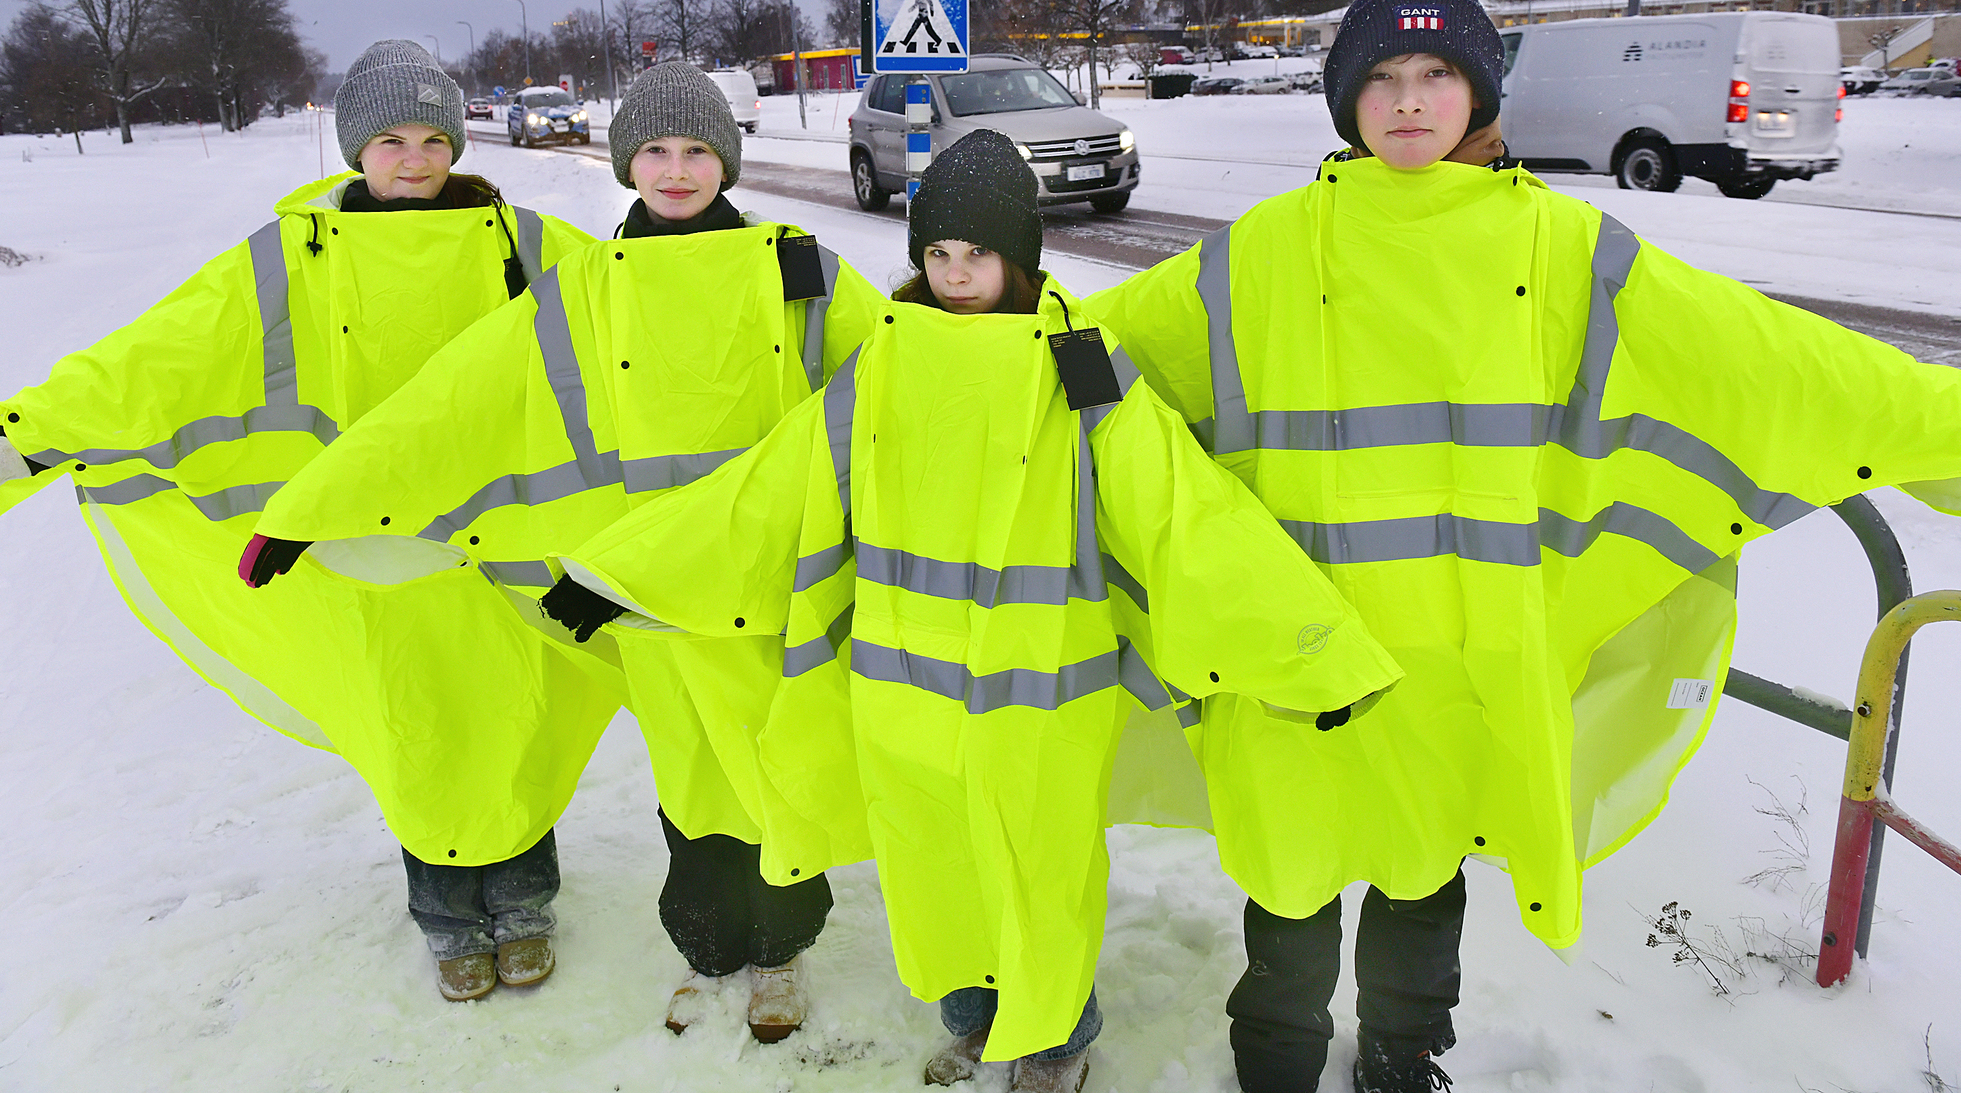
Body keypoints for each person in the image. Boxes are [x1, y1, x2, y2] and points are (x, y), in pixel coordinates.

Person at [1086, 0, 1961, 1093]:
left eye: (1436, 75)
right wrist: (950, 363)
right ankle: (1275, 1067)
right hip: (1299, 660)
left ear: (1477, 93)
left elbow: (1763, 360)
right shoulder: (1261, 252)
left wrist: (1944, 424)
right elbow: (1102, 348)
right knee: (1287, 884)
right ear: (1345, 101)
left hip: (1457, 661)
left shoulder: (1559, 249)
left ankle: (1404, 1059)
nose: (1408, 101)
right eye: (1382, 78)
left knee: (1420, 881)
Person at [534, 130, 1405, 1093]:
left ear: (1020, 259)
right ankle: (979, 1020)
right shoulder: (888, 362)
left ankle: (1056, 1038)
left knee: (1036, 874)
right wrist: (621, 575)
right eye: (937, 255)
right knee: (936, 865)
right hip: (908, 684)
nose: (954, 276)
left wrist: (1309, 650)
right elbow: (771, 487)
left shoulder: (1077, 362)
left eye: (977, 255)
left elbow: (1181, 508)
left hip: (1041, 688)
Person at [0, 40, 617, 1003]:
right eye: (389, 139)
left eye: (433, 137)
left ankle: (524, 901)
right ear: (356, 148)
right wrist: (17, 439)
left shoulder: (526, 243)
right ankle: (447, 916)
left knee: (512, 716)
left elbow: (643, 315)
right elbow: (162, 354)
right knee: (416, 727)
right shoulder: (294, 255)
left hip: (496, 541)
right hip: (362, 549)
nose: (414, 159)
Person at [246, 62, 885, 1042]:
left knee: (772, 766)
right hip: (638, 584)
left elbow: (890, 379)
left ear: (726, 161)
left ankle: (779, 956)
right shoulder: (582, 286)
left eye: (697, 151)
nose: (676, 171)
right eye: (656, 152)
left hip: (766, 575)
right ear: (628, 163)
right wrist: (309, 508)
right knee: (690, 781)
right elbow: (453, 400)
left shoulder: (796, 265)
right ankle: (711, 952)